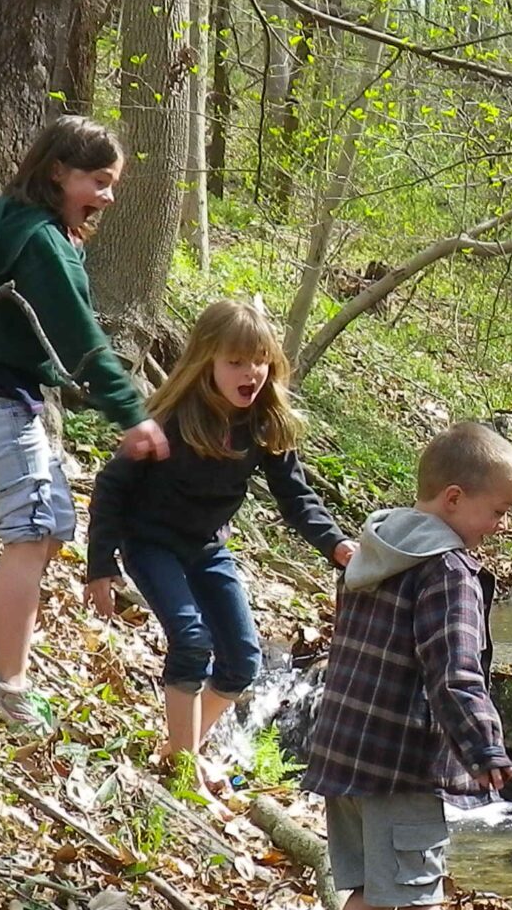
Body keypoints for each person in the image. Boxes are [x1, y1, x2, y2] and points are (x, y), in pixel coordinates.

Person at [287, 422, 512, 910]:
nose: (501, 525)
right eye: (498, 511)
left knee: (376, 880)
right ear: (453, 498)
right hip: (400, 757)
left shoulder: (377, 546)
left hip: (345, 744)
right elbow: (453, 669)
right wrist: (484, 746)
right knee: (420, 890)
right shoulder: (446, 571)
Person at [0, 115, 168, 733]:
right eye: (98, 180)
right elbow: (81, 335)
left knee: (49, 525)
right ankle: (6, 687)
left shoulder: (10, 214)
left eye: (112, 183)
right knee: (32, 531)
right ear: (57, 171)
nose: (108, 197)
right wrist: (133, 414)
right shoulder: (41, 241)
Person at [85, 299, 356, 788]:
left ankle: (177, 750)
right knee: (191, 641)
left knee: (241, 662)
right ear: (206, 362)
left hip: (208, 547)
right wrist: (100, 564)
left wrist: (336, 545)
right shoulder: (171, 418)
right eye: (235, 362)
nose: (249, 372)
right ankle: (184, 772)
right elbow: (112, 486)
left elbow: (295, 496)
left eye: (259, 361)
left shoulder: (265, 423)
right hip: (151, 543)